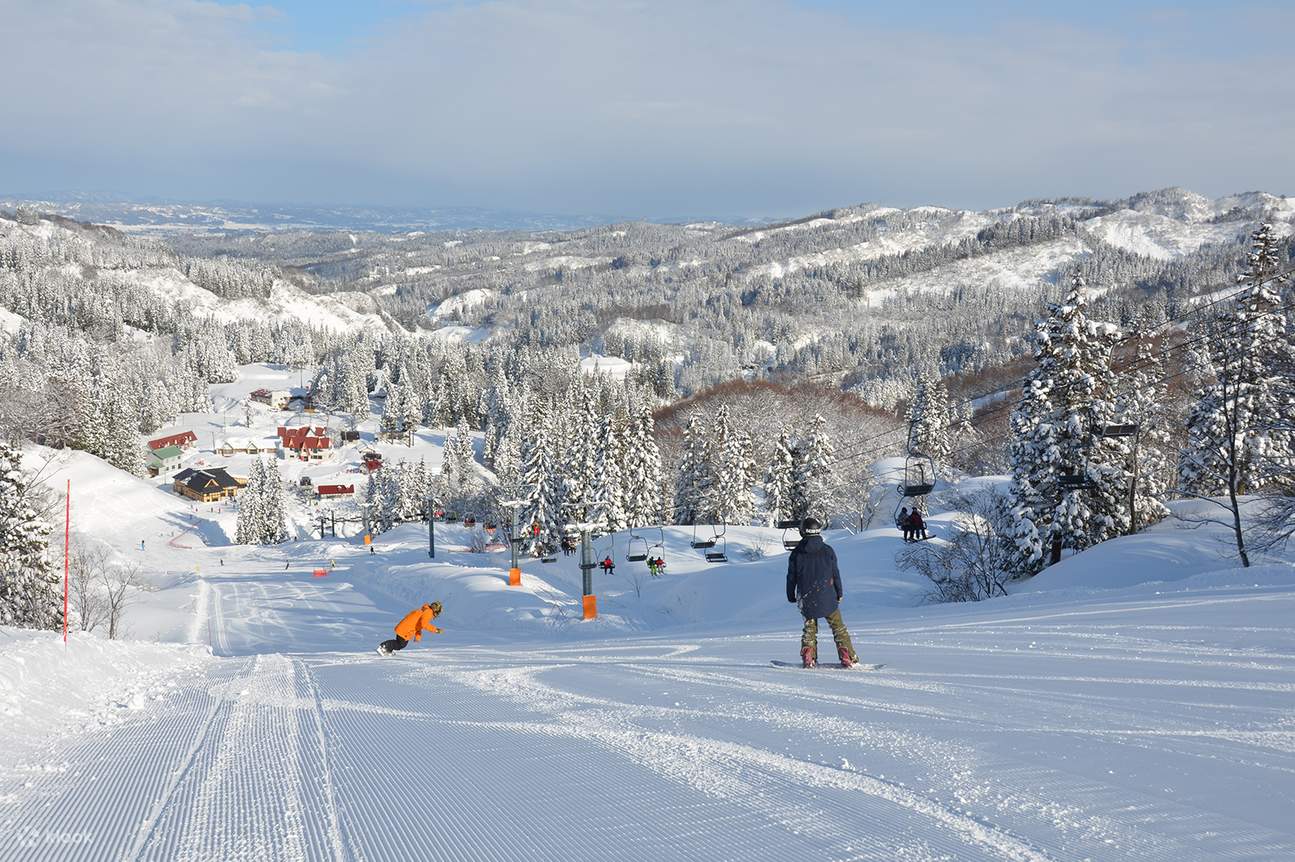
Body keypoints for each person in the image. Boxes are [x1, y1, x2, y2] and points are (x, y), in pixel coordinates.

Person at [786, 516, 860, 669]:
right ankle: (846, 654)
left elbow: (791, 577)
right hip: (828, 596)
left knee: (809, 628)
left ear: (802, 532)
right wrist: (839, 592)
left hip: (807, 597)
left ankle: (808, 655)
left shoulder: (797, 554)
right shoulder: (828, 551)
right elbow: (835, 574)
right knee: (838, 627)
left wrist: (791, 595)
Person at [377, 601, 443, 655]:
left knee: (400, 643)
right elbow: (424, 624)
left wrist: (418, 636)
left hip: (404, 627)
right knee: (401, 644)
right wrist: (436, 630)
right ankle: (384, 647)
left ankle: (387, 649)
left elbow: (419, 625)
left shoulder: (425, 610)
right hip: (406, 629)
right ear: (436, 611)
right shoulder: (428, 613)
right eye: (438, 613)